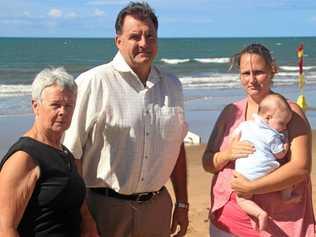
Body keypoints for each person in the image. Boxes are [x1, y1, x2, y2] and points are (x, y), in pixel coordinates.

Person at [62, 2, 189, 237]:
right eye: (135, 36)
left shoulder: (172, 86)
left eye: (150, 36)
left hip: (157, 208)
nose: (144, 43)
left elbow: (177, 146)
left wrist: (182, 203)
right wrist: (83, 215)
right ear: (118, 41)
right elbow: (71, 154)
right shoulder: (93, 83)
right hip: (104, 209)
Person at [202, 43, 315, 236]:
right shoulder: (231, 111)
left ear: (273, 71)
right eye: (246, 73)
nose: (252, 80)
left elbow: (301, 167)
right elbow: (207, 162)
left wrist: (252, 187)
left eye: (259, 72)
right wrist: (228, 154)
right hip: (227, 222)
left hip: (277, 224)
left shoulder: (290, 113)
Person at [0, 67, 88, 237]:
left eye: (69, 105)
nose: (63, 111)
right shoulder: (24, 157)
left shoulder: (64, 153)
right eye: (55, 105)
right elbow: (5, 228)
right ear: (36, 106)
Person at [234, 93, 294, 231]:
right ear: (268, 117)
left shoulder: (245, 125)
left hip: (243, 173)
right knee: (287, 175)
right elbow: (280, 154)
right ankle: (287, 196)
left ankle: (258, 213)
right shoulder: (272, 134)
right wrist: (285, 141)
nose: (284, 127)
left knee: (242, 199)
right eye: (282, 123)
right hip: (264, 171)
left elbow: (234, 140)